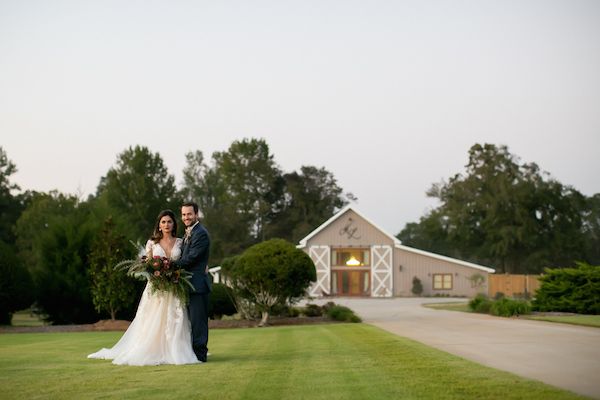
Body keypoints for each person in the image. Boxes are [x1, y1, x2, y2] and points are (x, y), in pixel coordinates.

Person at [87, 210, 200, 366]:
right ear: (159, 226)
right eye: (163, 222)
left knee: (175, 319)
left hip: (174, 287)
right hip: (156, 288)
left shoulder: (181, 242)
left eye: (169, 222)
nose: (166, 225)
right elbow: (147, 265)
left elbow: (187, 262)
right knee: (151, 320)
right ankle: (152, 349)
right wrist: (156, 273)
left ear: (174, 224)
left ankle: (175, 350)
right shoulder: (152, 243)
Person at [173, 201, 211, 362]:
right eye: (183, 214)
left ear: (196, 214)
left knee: (198, 323)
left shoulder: (201, 233)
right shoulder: (189, 232)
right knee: (189, 323)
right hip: (188, 285)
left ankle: (200, 356)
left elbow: (191, 258)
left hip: (197, 285)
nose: (186, 217)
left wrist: (169, 265)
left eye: (189, 214)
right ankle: (192, 354)